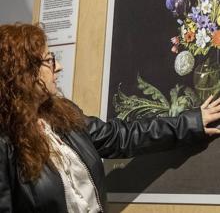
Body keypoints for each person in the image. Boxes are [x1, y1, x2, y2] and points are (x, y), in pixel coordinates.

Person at [0, 23, 220, 213]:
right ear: (23, 72)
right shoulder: (5, 143)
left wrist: (190, 123)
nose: (58, 67)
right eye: (49, 61)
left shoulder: (61, 115)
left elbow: (120, 137)